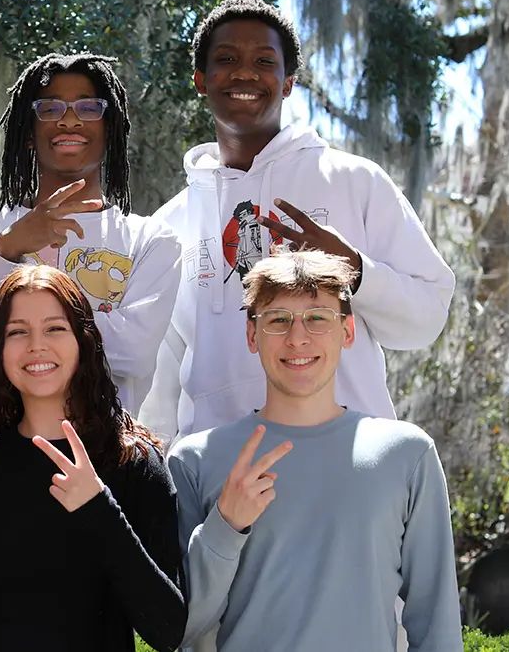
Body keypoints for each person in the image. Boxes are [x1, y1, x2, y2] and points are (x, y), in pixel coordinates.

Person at [141, 0, 454, 442]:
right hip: (222, 472)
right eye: (226, 59)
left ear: (288, 82)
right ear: (200, 80)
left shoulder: (354, 180)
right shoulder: (171, 223)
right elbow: (162, 374)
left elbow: (426, 318)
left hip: (348, 462)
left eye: (264, 61)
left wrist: (356, 270)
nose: (244, 72)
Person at [167, 249, 463, 651]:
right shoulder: (194, 461)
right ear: (252, 335)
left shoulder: (407, 456)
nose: (297, 338)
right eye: (278, 320)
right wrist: (226, 524)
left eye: (317, 318)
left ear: (348, 331)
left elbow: (437, 626)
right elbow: (179, 629)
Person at [0, 265, 186, 651]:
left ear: (83, 341)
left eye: (55, 328)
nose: (36, 345)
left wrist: (99, 509)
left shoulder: (133, 462)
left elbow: (168, 628)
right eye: (17, 331)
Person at [0, 53, 181, 415]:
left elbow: (135, 354)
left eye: (89, 107)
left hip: (106, 457)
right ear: (28, 133)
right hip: (0, 455)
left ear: (110, 127)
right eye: (49, 109)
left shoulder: (151, 241)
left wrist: (15, 330)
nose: (68, 120)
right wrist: (6, 251)